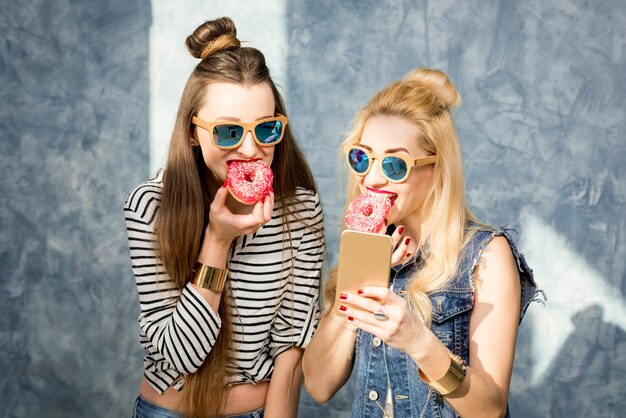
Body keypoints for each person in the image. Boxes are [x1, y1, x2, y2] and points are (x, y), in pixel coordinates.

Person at [302, 68, 537, 417]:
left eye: (395, 164)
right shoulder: (371, 245)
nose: (373, 178)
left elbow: (489, 408)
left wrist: (420, 342)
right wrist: (360, 278)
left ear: (438, 168)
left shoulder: (487, 255)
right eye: (362, 157)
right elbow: (319, 386)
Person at [124, 17, 324, 418]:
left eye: (266, 130)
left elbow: (292, 345)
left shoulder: (300, 210)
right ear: (193, 134)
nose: (251, 149)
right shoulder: (149, 205)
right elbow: (181, 357)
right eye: (229, 133)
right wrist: (217, 241)